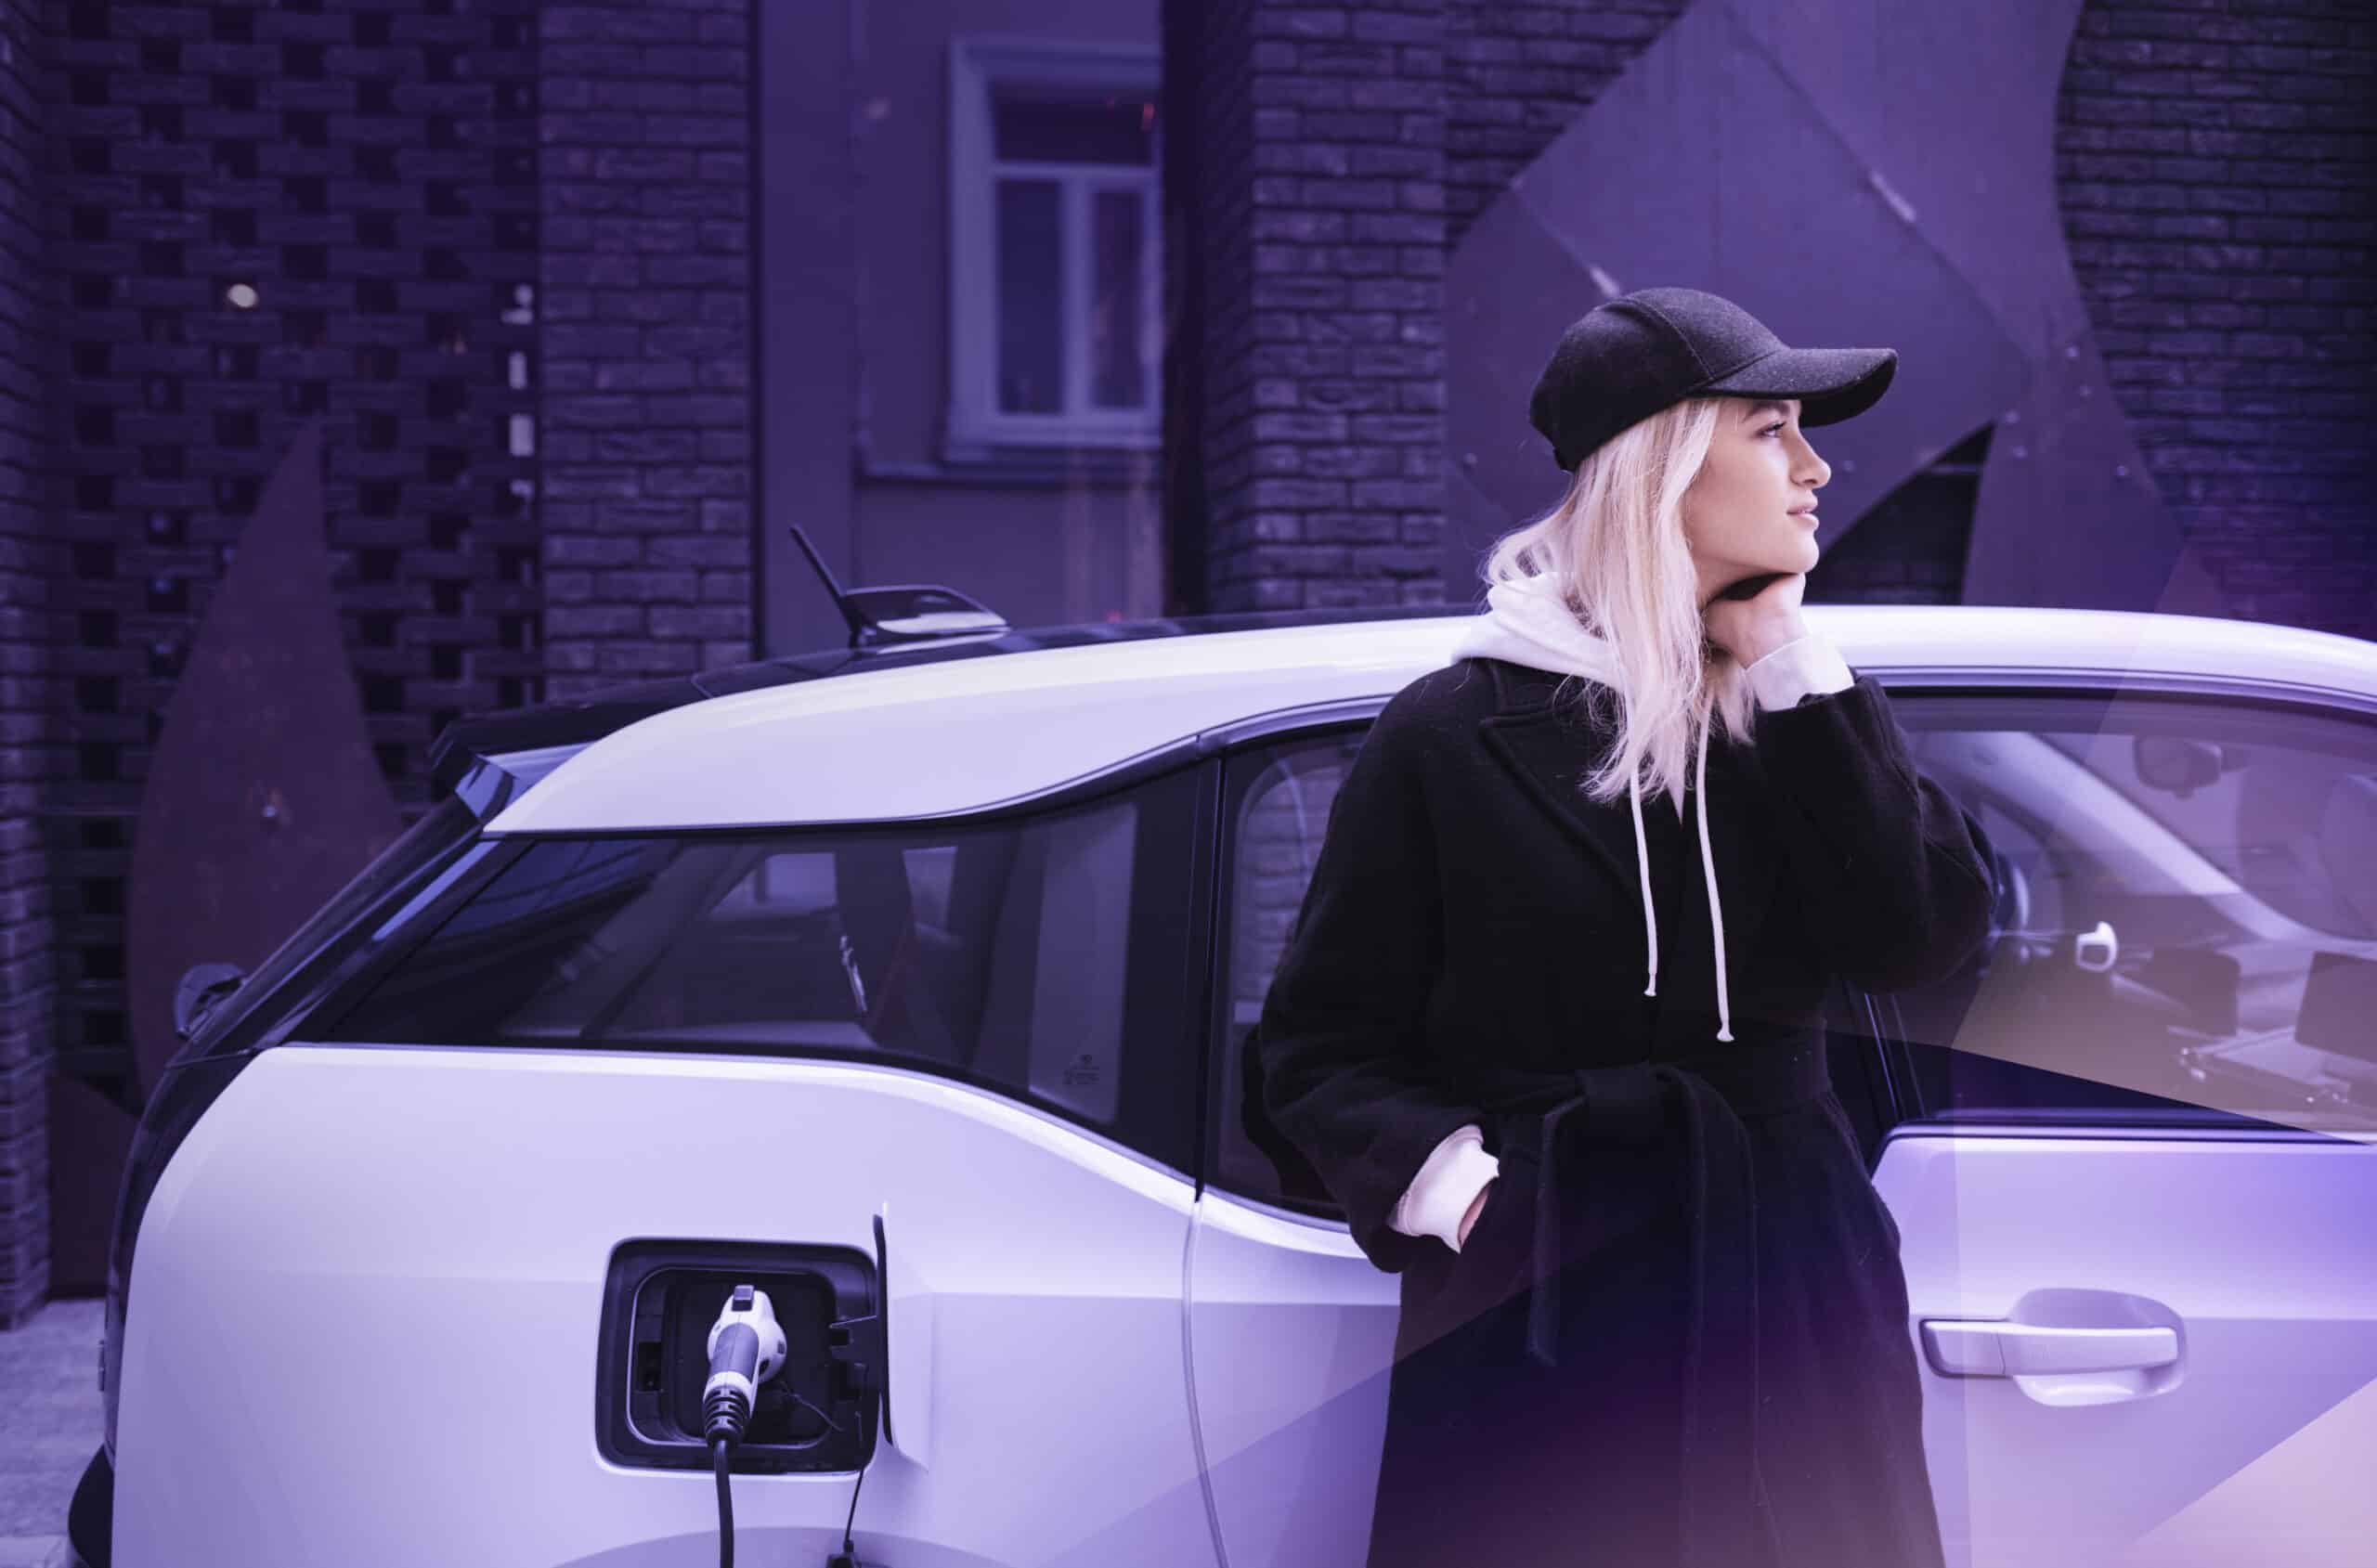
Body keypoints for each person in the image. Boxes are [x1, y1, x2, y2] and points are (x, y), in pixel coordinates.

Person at [1252, 287, 1998, 1568]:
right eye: (1772, 431)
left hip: (1792, 1294)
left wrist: (1785, 666)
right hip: (1547, 1299)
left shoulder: (1797, 709)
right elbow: (1318, 1050)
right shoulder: (1451, 734)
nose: (1817, 469)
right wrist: (1469, 1196)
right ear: (1661, 468)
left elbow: (1918, 939)